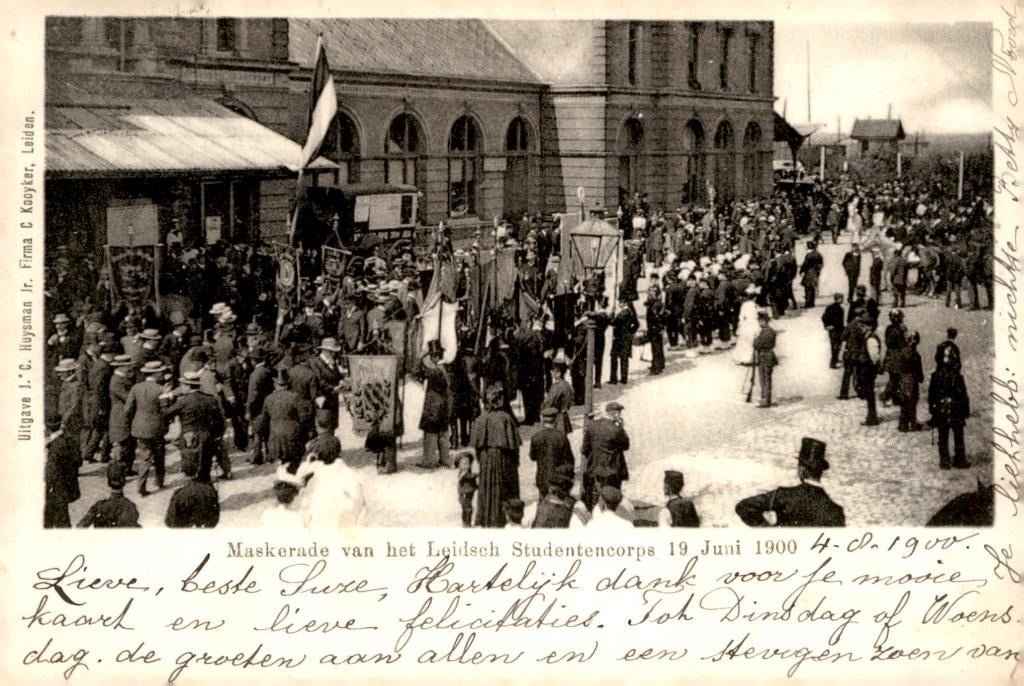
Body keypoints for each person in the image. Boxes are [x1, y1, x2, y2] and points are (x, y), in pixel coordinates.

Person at [735, 437, 845, 527]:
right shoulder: (837, 512)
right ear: (820, 472)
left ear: (802, 470)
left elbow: (744, 507)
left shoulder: (783, 495)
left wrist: (768, 529)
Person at [163, 370, 229, 482]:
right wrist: (217, 435)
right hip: (207, 437)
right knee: (205, 468)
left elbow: (165, 414)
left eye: (182, 385)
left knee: (190, 470)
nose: (181, 387)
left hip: (189, 438)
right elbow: (218, 421)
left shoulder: (183, 402)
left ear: (188, 386)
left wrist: (165, 398)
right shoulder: (210, 399)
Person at [470, 386, 521, 528]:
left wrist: (483, 461)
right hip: (503, 460)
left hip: (486, 460)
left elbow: (477, 448)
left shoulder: (481, 419)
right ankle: (502, 518)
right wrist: (515, 463)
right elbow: (514, 448)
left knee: (486, 488)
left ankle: (486, 517)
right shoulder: (506, 418)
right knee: (503, 488)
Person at [123, 360, 170, 496]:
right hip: (156, 427)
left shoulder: (135, 388)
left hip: (139, 427)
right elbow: (165, 410)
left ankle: (141, 487)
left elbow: (127, 409)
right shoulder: (161, 389)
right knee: (159, 455)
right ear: (156, 374)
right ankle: (159, 481)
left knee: (144, 458)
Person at [581, 401, 630, 512]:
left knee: (595, 497)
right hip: (611, 470)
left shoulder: (592, 426)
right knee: (611, 499)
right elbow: (626, 445)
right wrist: (621, 427)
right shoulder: (616, 430)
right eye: (619, 412)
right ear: (616, 414)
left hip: (595, 469)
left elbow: (584, 448)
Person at [258, 368, 310, 474]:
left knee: (281, 462)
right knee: (294, 463)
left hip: (275, 436)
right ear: (287, 385)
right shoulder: (294, 397)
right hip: (292, 435)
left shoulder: (268, 399)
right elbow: (304, 417)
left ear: (275, 385)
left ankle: (283, 480)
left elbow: (263, 421)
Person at [415, 340, 453, 469]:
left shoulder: (436, 370)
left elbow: (416, 372)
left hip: (433, 406)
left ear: (436, 356)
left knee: (431, 434)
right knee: (443, 433)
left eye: (432, 355)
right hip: (444, 405)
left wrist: (421, 357)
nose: (431, 358)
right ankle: (445, 459)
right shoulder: (445, 368)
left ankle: (428, 461)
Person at [927, 359, 971, 469]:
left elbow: (931, 396)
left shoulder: (935, 376)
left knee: (943, 436)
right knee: (958, 435)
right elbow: (963, 396)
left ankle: (944, 461)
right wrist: (965, 411)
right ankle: (960, 460)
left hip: (941, 410)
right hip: (956, 410)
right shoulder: (957, 376)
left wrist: (933, 411)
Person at [164, 447, 220, 528]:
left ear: (182, 471)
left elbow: (170, 521)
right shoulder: (210, 490)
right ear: (198, 469)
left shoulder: (179, 494)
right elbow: (215, 518)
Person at [529, 407, 576, 501]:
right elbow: (570, 459)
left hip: (542, 478)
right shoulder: (561, 437)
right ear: (555, 421)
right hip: (558, 479)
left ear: (542, 421)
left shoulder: (536, 437)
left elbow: (532, 457)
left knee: (543, 505)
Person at [77, 462, 141, 528]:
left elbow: (80, 527)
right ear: (124, 482)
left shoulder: (98, 507)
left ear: (108, 483)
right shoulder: (130, 507)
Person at [44, 414, 80, 528]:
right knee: (63, 521)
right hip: (67, 486)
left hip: (54, 489)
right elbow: (78, 461)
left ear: (47, 428)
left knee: (50, 521)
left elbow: (51, 471)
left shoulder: (54, 446)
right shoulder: (70, 440)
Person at [540, 353, 574, 435]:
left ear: (558, 373)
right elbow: (571, 403)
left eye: (553, 370)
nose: (551, 372)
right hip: (564, 416)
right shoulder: (567, 385)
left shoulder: (556, 387)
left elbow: (548, 403)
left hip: (555, 418)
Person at [898, 332, 924, 432]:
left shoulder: (903, 352)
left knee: (904, 402)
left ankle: (902, 424)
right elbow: (919, 371)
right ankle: (913, 424)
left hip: (903, 379)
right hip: (912, 380)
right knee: (912, 402)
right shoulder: (916, 355)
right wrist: (921, 378)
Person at [609, 297, 639, 384]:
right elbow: (636, 324)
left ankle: (613, 378)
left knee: (614, 357)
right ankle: (623, 378)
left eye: (620, 302)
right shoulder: (630, 312)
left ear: (624, 303)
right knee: (624, 358)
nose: (619, 304)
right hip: (625, 338)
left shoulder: (623, 313)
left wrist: (611, 313)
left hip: (619, 338)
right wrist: (630, 331)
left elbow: (613, 322)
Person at [858, 318, 882, 426]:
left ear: (870, 327)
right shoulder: (868, 337)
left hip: (868, 369)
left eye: (863, 326)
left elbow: (875, 357)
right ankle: (871, 417)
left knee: (869, 394)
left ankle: (872, 418)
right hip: (867, 368)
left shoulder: (871, 339)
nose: (861, 328)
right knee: (869, 394)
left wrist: (872, 367)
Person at [881, 309, 907, 406]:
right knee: (896, 378)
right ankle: (887, 396)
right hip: (897, 355)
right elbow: (904, 342)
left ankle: (893, 397)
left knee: (894, 377)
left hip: (890, 354)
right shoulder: (901, 329)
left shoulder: (889, 328)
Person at [752, 312, 778, 408]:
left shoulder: (763, 332)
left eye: (760, 321)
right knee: (768, 378)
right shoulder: (772, 331)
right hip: (770, 355)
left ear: (764, 321)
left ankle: (765, 400)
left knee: (764, 378)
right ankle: (767, 398)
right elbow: (773, 344)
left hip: (763, 356)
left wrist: (755, 339)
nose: (759, 323)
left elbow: (756, 345)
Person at [732, 286, 760, 365]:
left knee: (744, 341)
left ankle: (743, 358)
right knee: (753, 340)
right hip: (753, 323)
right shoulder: (754, 305)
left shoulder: (744, 305)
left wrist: (739, 325)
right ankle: (753, 358)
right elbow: (757, 314)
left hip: (746, 324)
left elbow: (741, 317)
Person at [645, 284, 666, 375]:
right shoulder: (657, 302)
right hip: (657, 327)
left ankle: (656, 368)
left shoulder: (655, 304)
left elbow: (656, 317)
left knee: (655, 348)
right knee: (659, 346)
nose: (650, 294)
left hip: (654, 327)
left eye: (652, 293)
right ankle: (660, 364)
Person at [821, 294, 845, 369]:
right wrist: (828, 326)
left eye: (842, 298)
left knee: (837, 346)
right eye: (841, 298)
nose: (842, 300)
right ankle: (833, 363)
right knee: (835, 347)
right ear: (837, 299)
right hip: (835, 331)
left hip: (838, 330)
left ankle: (836, 359)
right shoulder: (833, 308)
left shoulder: (839, 308)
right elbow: (824, 317)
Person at [456, 452, 478, 528]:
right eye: (464, 463)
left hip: (467, 494)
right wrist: (478, 474)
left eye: (468, 463)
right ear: (459, 465)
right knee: (468, 509)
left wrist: (476, 486)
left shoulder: (466, 471)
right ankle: (467, 524)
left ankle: (465, 523)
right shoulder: (463, 473)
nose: (467, 465)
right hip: (465, 494)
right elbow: (470, 477)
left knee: (467, 509)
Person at [799, 241, 824, 308]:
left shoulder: (808, 255)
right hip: (815, 273)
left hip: (808, 273)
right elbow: (821, 263)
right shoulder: (818, 254)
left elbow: (805, 264)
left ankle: (808, 303)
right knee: (812, 288)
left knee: (807, 288)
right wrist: (818, 270)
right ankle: (812, 303)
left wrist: (801, 271)